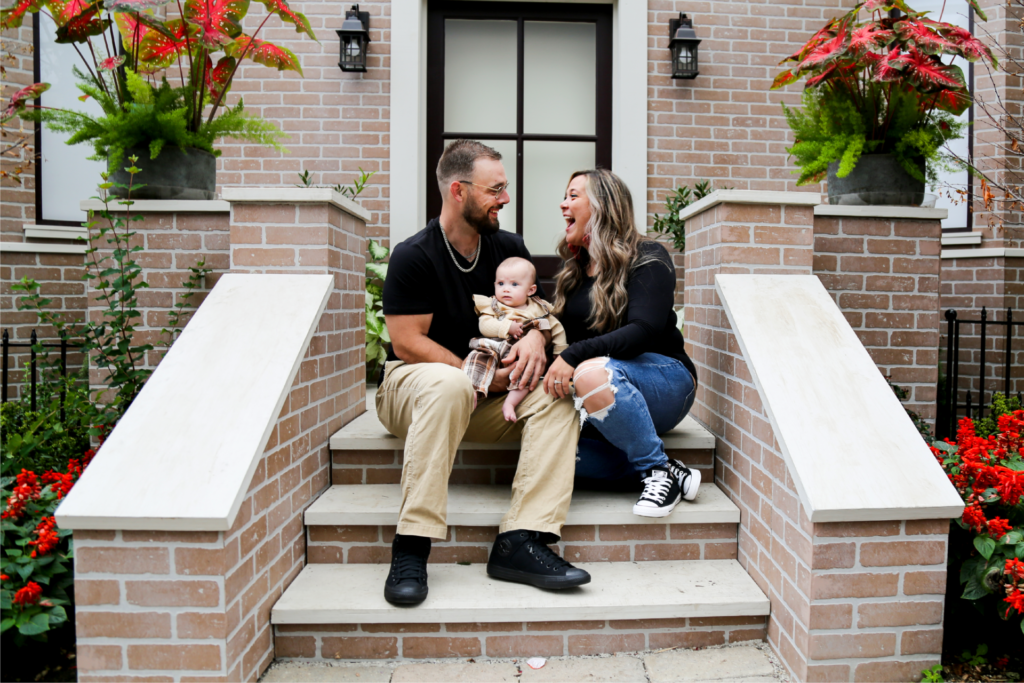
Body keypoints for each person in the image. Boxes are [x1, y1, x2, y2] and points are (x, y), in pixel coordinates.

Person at [378, 139, 590, 606]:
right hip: (415, 391)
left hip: (487, 401)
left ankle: (522, 540)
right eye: (495, 189)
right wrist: (474, 377)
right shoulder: (415, 255)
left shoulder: (507, 248)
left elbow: (536, 309)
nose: (506, 199)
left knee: (558, 392)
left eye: (505, 188)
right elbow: (407, 342)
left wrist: (535, 334)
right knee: (450, 383)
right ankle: (412, 543)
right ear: (458, 190)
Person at [543, 169, 701, 518]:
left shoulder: (649, 256)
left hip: (664, 379)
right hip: (599, 388)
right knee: (547, 451)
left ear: (601, 205)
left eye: (572, 196)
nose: (562, 204)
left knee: (590, 371)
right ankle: (666, 468)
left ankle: (657, 472)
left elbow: (643, 330)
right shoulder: (575, 271)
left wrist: (574, 355)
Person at [464, 256, 568, 422]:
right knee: (476, 359)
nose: (506, 289)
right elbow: (484, 325)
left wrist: (560, 351)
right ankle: (472, 393)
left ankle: (510, 403)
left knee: (528, 369)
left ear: (531, 290)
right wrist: (506, 327)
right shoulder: (494, 306)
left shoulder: (538, 309)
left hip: (520, 353)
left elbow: (556, 327)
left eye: (514, 284)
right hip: (493, 347)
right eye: (501, 284)